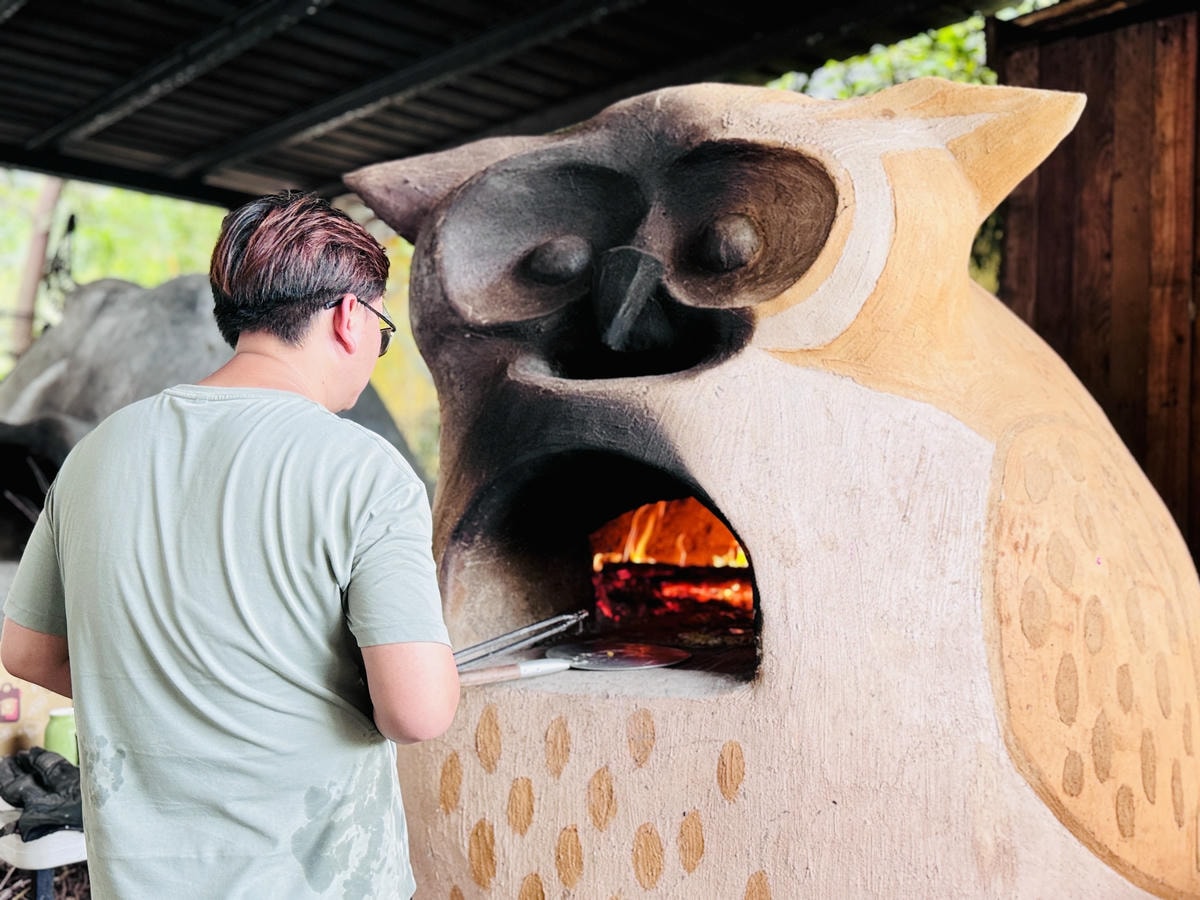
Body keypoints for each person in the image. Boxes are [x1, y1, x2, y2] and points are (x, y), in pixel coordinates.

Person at [0, 190, 460, 898]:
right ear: (348, 317)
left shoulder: (97, 453)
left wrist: (165, 695)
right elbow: (417, 710)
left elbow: (27, 650)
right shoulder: (364, 471)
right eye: (383, 328)